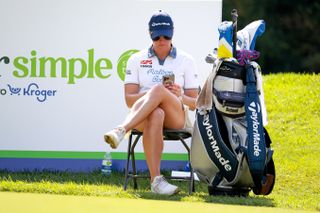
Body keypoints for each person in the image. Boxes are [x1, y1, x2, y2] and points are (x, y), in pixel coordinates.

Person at [104, 10, 200, 195]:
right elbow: (129, 100)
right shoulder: (136, 59)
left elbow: (195, 103)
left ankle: (121, 130)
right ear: (150, 34)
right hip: (144, 117)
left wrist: (178, 95)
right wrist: (153, 96)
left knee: (159, 90)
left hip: (176, 117)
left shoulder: (186, 60)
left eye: (166, 35)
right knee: (156, 112)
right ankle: (156, 181)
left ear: (173, 33)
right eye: (157, 36)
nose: (161, 40)